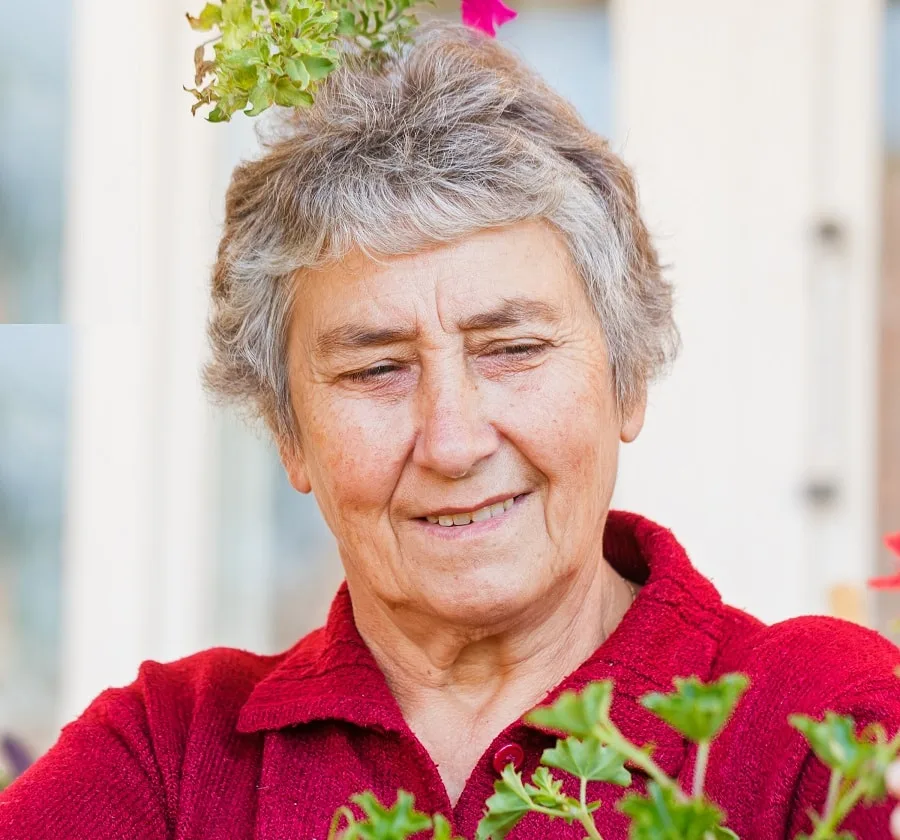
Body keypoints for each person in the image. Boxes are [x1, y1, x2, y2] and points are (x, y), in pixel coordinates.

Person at [2, 20, 898, 840]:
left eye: (510, 348)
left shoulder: (828, 725)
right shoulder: (173, 754)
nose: (454, 440)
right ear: (287, 432)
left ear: (627, 378)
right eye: (376, 369)